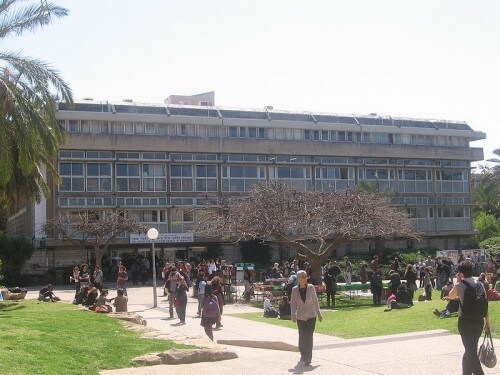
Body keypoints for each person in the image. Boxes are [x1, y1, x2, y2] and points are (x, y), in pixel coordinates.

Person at [447, 261, 490, 375]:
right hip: (478, 321)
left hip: (465, 321)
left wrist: (458, 280)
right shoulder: (480, 284)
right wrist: (487, 322)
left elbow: (451, 296)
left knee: (471, 351)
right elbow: (485, 303)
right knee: (470, 349)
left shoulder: (460, 285)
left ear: (460, 272)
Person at [290, 270, 323, 367]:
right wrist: (293, 314)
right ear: (298, 279)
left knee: (309, 336)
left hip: (311, 316)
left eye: (305, 276)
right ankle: (303, 354)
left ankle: (308, 357)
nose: (305, 278)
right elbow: (293, 303)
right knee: (302, 336)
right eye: (303, 277)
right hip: (300, 317)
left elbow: (315, 301)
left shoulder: (311, 287)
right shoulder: (294, 290)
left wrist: (319, 314)